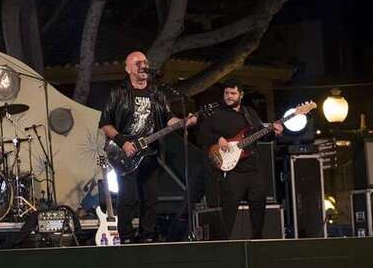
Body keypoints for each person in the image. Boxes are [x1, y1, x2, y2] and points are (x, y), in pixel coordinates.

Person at [99, 51, 196, 243]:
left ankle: (147, 237)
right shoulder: (118, 93)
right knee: (128, 199)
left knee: (151, 199)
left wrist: (183, 122)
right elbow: (105, 124)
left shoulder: (157, 94)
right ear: (128, 69)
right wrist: (123, 143)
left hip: (150, 153)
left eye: (145, 62)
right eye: (137, 63)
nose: (143, 66)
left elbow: (169, 119)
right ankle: (126, 238)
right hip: (125, 152)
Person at [197, 80, 282, 239]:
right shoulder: (216, 114)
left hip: (253, 168)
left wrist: (274, 131)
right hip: (232, 171)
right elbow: (202, 136)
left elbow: (260, 134)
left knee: (259, 202)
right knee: (229, 210)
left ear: (241, 95)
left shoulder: (250, 113)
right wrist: (218, 139)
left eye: (233, 93)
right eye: (226, 93)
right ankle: (224, 244)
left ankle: (257, 239)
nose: (228, 97)